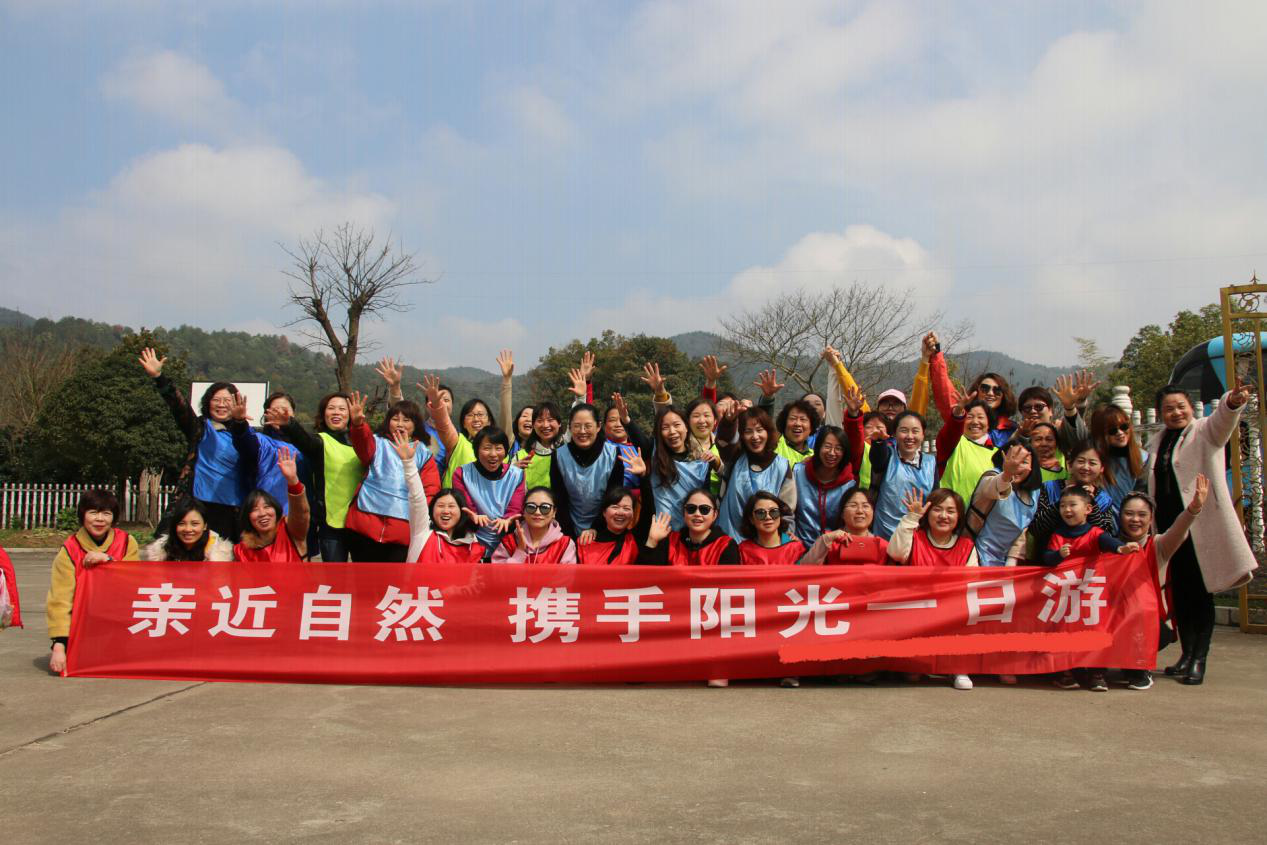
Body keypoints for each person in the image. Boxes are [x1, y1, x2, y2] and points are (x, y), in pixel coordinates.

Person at [1148, 383, 1258, 685]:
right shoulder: (1158, 441)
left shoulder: (1205, 431)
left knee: (1200, 594)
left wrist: (1232, 402)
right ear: (1160, 413)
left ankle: (1199, 659)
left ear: (1190, 406)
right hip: (1171, 529)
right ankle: (1186, 654)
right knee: (1180, 594)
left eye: (1180, 406)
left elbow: (1223, 419)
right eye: (1168, 408)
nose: (1175, 412)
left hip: (1201, 527)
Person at [139, 347, 246, 540]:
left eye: (227, 400)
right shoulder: (199, 427)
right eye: (216, 400)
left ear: (237, 403)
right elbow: (178, 407)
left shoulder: (246, 435)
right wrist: (159, 377)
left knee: (224, 555)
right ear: (207, 403)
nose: (221, 404)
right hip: (196, 503)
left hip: (231, 508)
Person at [1043, 486, 1140, 692]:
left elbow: (1111, 543)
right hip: (1067, 597)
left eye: (1072, 505)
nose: (1067, 510)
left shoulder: (1095, 533)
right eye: (1063, 505)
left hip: (1091, 596)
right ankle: (1065, 672)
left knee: (1096, 631)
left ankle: (1097, 673)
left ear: (1088, 509)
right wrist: (1058, 555)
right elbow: (1047, 558)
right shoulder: (1057, 535)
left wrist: (1122, 548)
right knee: (1064, 632)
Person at [1117, 475, 1210, 690]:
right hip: (1117, 620)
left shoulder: (1159, 545)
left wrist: (1194, 508)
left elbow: (1179, 529)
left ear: (1151, 519)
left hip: (1153, 624)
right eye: (1129, 513)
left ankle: (1139, 668)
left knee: (1133, 665)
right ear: (1120, 516)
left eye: (1142, 515)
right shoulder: (1110, 546)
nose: (1135, 519)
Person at [886, 488, 977, 690]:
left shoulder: (967, 546)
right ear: (928, 513)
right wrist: (911, 518)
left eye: (950, 511)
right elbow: (895, 552)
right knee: (912, 675)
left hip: (951, 611)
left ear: (959, 517)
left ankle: (959, 668)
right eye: (938, 509)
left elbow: (972, 585)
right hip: (917, 610)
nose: (944, 516)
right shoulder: (915, 538)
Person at [46, 489, 140, 673]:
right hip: (84, 622)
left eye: (106, 513)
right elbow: (60, 599)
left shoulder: (127, 542)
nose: (100, 519)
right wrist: (59, 644)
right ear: (83, 515)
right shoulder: (69, 549)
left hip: (120, 620)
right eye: (93, 512)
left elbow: (135, 581)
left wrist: (109, 561)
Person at [344, 390, 441, 562]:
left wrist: (419, 521)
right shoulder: (376, 442)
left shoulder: (423, 454)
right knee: (362, 577)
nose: (400, 424)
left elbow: (430, 490)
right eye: (395, 419)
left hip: (402, 530)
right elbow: (362, 443)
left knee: (394, 579)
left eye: (406, 420)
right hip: (365, 524)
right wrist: (358, 424)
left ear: (415, 424)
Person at [277, 391, 361, 562]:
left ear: (351, 413)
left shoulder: (362, 442)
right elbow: (305, 442)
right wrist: (290, 425)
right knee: (334, 575)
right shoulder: (320, 441)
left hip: (360, 522)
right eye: (331, 408)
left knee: (366, 575)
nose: (336, 412)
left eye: (342, 409)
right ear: (323, 414)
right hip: (331, 523)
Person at [397, 431, 484, 563]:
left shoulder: (471, 541)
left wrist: (475, 525)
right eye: (441, 506)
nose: (446, 511)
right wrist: (408, 462)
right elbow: (416, 497)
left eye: (451, 506)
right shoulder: (423, 530)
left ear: (462, 511)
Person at [550, 402, 629, 537]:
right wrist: (569, 534)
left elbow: (613, 497)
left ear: (598, 426)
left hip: (605, 526)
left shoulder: (613, 454)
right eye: (576, 426)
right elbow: (560, 499)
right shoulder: (559, 455)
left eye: (588, 426)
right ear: (569, 427)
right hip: (567, 527)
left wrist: (596, 528)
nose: (582, 431)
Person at [926, 333, 1019, 447]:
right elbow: (943, 389)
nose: (990, 393)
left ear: (1004, 396)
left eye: (997, 391)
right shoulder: (963, 419)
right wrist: (936, 353)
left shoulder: (1012, 430)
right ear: (977, 391)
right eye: (985, 388)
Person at [718, 407, 796, 542]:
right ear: (741, 435)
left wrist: (782, 541)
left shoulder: (782, 466)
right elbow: (724, 443)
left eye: (759, 430)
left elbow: (787, 511)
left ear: (768, 432)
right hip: (728, 539)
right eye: (748, 431)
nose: (755, 436)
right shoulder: (735, 457)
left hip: (766, 544)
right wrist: (728, 422)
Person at [1029, 441, 1117, 555]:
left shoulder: (1104, 500)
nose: (1086, 467)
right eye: (1081, 461)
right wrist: (1062, 502)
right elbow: (1036, 529)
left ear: (1102, 468)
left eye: (1092, 463)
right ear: (1069, 465)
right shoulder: (1049, 488)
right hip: (1049, 561)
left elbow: (1105, 538)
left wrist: (1092, 505)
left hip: (1085, 563)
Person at [967, 439, 1042, 568]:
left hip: (1005, 563)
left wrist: (1011, 563)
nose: (1016, 465)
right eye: (1013, 459)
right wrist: (1007, 474)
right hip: (976, 557)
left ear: (1032, 467)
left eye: (1024, 462)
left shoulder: (1034, 492)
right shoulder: (992, 476)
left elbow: (1023, 532)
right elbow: (994, 486)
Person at [451, 426, 526, 555]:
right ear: (476, 450)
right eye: (487, 448)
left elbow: (515, 507)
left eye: (498, 448)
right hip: (471, 540)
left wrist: (508, 519)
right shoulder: (462, 474)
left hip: (507, 542)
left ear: (505, 451)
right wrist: (474, 516)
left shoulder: (517, 475)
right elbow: (466, 505)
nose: (493, 454)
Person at [643, 405, 717, 531]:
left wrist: (716, 462)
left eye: (677, 425)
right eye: (665, 428)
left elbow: (706, 496)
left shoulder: (701, 462)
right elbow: (640, 440)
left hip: (693, 529)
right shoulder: (656, 456)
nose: (672, 431)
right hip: (663, 530)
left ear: (686, 427)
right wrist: (627, 421)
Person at [866, 411, 936, 540]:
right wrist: (878, 442)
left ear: (923, 435)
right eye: (904, 430)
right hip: (884, 535)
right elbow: (877, 459)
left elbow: (934, 501)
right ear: (894, 434)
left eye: (915, 431)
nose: (910, 436)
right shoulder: (888, 455)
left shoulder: (931, 462)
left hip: (917, 537)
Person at [233, 447, 310, 562]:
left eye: (267, 507)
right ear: (247, 516)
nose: (262, 513)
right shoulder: (240, 551)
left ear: (276, 510)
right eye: (255, 509)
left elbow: (301, 513)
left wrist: (292, 481)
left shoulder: (291, 531)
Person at [791, 424, 858, 547]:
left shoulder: (849, 484)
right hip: (799, 548)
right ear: (818, 447)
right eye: (827, 446)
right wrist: (789, 538)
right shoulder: (798, 473)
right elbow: (788, 512)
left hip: (834, 549)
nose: (832, 453)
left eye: (838, 448)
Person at [640, 488, 738, 566]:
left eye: (704, 509)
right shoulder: (671, 541)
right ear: (684, 513)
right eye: (691, 508)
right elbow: (647, 577)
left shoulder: (726, 545)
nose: (697, 514)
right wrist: (652, 541)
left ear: (715, 515)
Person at [934, 390, 998, 505]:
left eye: (980, 417)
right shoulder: (953, 442)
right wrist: (958, 411)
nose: (975, 422)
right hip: (949, 511)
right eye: (970, 417)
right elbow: (952, 429)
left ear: (989, 423)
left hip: (980, 515)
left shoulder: (996, 453)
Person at [799, 488, 889, 565]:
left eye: (865, 506)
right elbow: (804, 569)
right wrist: (825, 539)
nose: (860, 511)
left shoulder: (882, 546)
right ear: (842, 513)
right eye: (853, 505)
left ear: (873, 512)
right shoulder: (829, 541)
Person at [491, 487, 578, 563]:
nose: (537, 512)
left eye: (545, 507)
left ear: (554, 512)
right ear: (523, 511)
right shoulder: (508, 542)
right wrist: (520, 551)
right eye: (531, 507)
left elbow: (566, 576)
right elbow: (499, 575)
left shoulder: (565, 544)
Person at [1091, 404, 1149, 514]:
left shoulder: (1145, 459)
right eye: (1112, 431)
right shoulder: (1095, 462)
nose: (1120, 433)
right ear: (1100, 434)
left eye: (1124, 426)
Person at [141, 498, 235, 562]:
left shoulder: (219, 554)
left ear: (205, 526)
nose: (188, 529)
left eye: (195, 524)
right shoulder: (160, 552)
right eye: (181, 523)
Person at [577, 486, 645, 565]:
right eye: (615, 507)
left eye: (626, 508)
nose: (620, 512)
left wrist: (645, 479)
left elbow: (648, 507)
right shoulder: (585, 541)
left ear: (633, 514)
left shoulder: (636, 540)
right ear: (604, 512)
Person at [737, 491, 807, 565]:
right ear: (751, 519)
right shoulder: (743, 550)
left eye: (773, 511)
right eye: (760, 513)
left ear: (780, 515)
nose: (768, 517)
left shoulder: (795, 548)